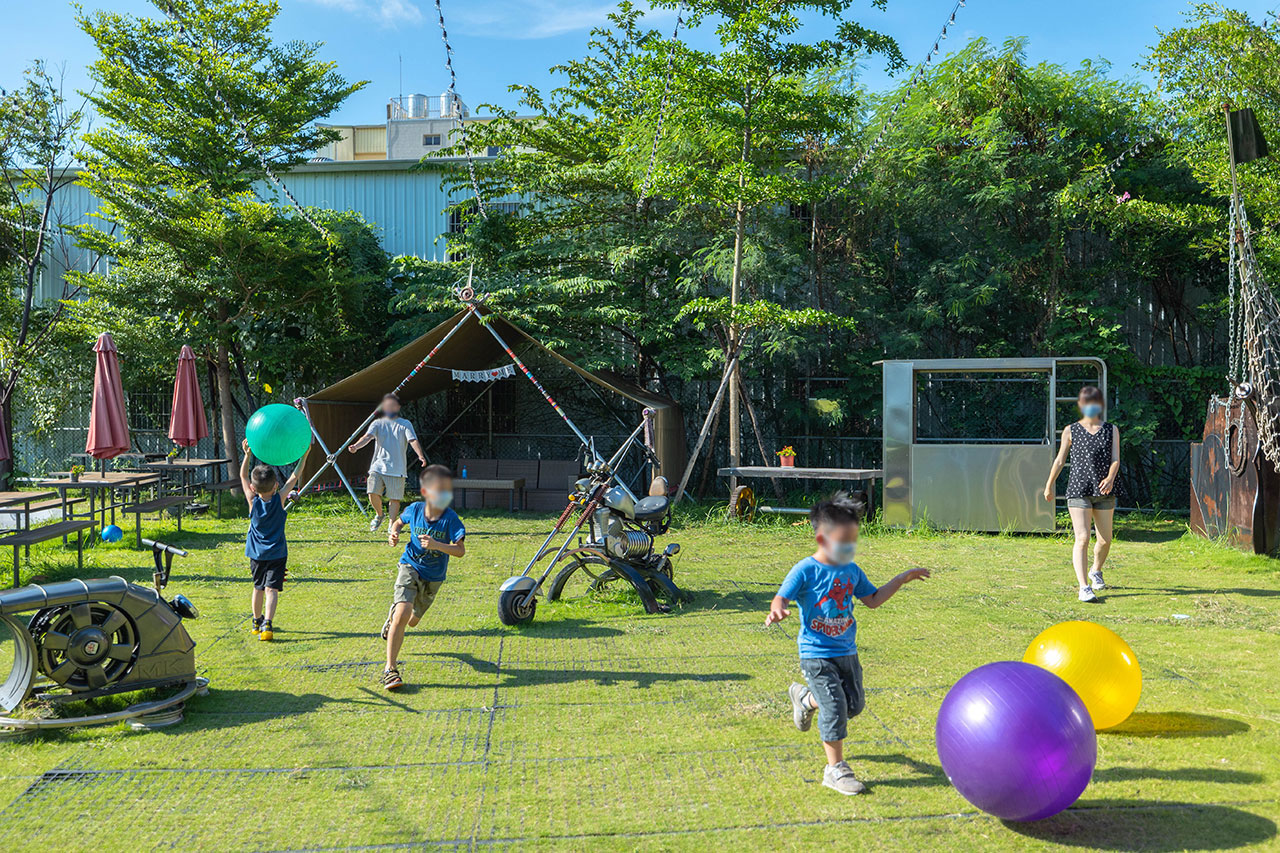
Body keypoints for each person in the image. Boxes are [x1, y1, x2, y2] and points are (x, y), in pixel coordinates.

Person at [765, 493, 930, 795]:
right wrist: (778, 609)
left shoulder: (852, 571)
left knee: (853, 705)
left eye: (853, 541)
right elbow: (781, 597)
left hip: (847, 651)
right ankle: (835, 770)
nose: (850, 548)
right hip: (816, 654)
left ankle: (806, 700)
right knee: (835, 706)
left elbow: (873, 600)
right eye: (844, 542)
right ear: (822, 538)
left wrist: (900, 579)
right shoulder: (805, 570)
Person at [380, 464, 466, 690]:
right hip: (410, 565)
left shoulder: (450, 518)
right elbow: (399, 522)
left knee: (412, 621)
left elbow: (460, 551)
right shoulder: (415, 509)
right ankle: (390, 669)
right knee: (403, 612)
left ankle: (393, 618)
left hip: (434, 577)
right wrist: (394, 533)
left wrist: (437, 545)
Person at [1043, 385, 1120, 603]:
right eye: (1087, 403)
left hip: (1104, 490)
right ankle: (1084, 587)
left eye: (1094, 402)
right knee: (1083, 537)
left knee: (1105, 540)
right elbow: (1060, 460)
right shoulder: (1071, 430)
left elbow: (1116, 459)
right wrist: (1049, 485)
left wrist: (1111, 477)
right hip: (1079, 490)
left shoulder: (1111, 429)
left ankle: (1096, 571)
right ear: (1081, 405)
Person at [239, 438, 299, 642]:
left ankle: (256, 622)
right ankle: (267, 624)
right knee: (271, 589)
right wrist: (305, 454)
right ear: (276, 485)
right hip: (277, 554)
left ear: (253, 488)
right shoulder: (279, 499)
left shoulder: (252, 501)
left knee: (258, 587)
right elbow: (295, 476)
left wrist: (247, 455)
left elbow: (242, 476)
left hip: (256, 554)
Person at [348, 393, 427, 534]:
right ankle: (379, 515)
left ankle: (392, 524)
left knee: (394, 499)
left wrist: (420, 455)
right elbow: (367, 437)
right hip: (377, 466)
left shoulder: (405, 424)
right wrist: (356, 446)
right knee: (372, 492)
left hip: (397, 468)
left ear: (398, 407)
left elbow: (412, 440)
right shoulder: (377, 423)